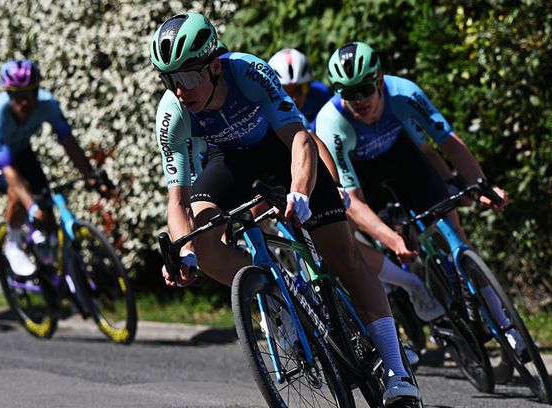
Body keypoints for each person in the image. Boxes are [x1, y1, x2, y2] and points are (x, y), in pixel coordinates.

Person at [150, 13, 420, 405]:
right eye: (169, 79)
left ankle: (398, 371)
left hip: (283, 152)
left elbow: (299, 139)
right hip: (230, 164)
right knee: (203, 243)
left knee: (345, 259)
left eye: (188, 77)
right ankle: (280, 296)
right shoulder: (172, 112)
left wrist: (300, 193)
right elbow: (178, 200)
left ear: (214, 66)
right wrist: (185, 251)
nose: (179, 90)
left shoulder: (248, 72)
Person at [314, 42, 524, 355]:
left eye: (364, 89)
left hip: (405, 161)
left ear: (380, 80)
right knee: (366, 235)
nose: (358, 100)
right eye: (348, 92)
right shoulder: (331, 122)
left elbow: (448, 142)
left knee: (453, 230)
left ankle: (503, 322)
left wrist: (481, 186)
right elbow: (353, 200)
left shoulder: (404, 93)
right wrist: (391, 240)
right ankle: (413, 289)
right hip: (365, 180)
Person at [0, 59, 111, 277]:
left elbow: (69, 142)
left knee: (46, 206)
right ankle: (14, 245)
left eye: (30, 93)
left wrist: (91, 176)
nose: (24, 102)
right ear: (7, 94)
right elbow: (9, 170)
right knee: (19, 192)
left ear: (38, 91)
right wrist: (31, 208)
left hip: (20, 148)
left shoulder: (48, 104)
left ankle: (54, 269)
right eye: (17, 96)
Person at [267, 48, 332, 130]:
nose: (294, 98)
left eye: (300, 89)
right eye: (286, 91)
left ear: (309, 85)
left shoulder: (322, 94)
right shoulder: (264, 110)